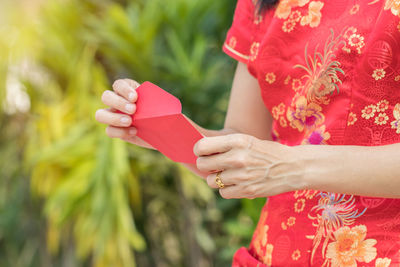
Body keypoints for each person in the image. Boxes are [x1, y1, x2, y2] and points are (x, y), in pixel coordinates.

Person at [95, 0, 400, 266]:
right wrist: (162, 130)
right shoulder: (261, 3)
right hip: (276, 252)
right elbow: (242, 137)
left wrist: (292, 165)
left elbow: (277, 162)